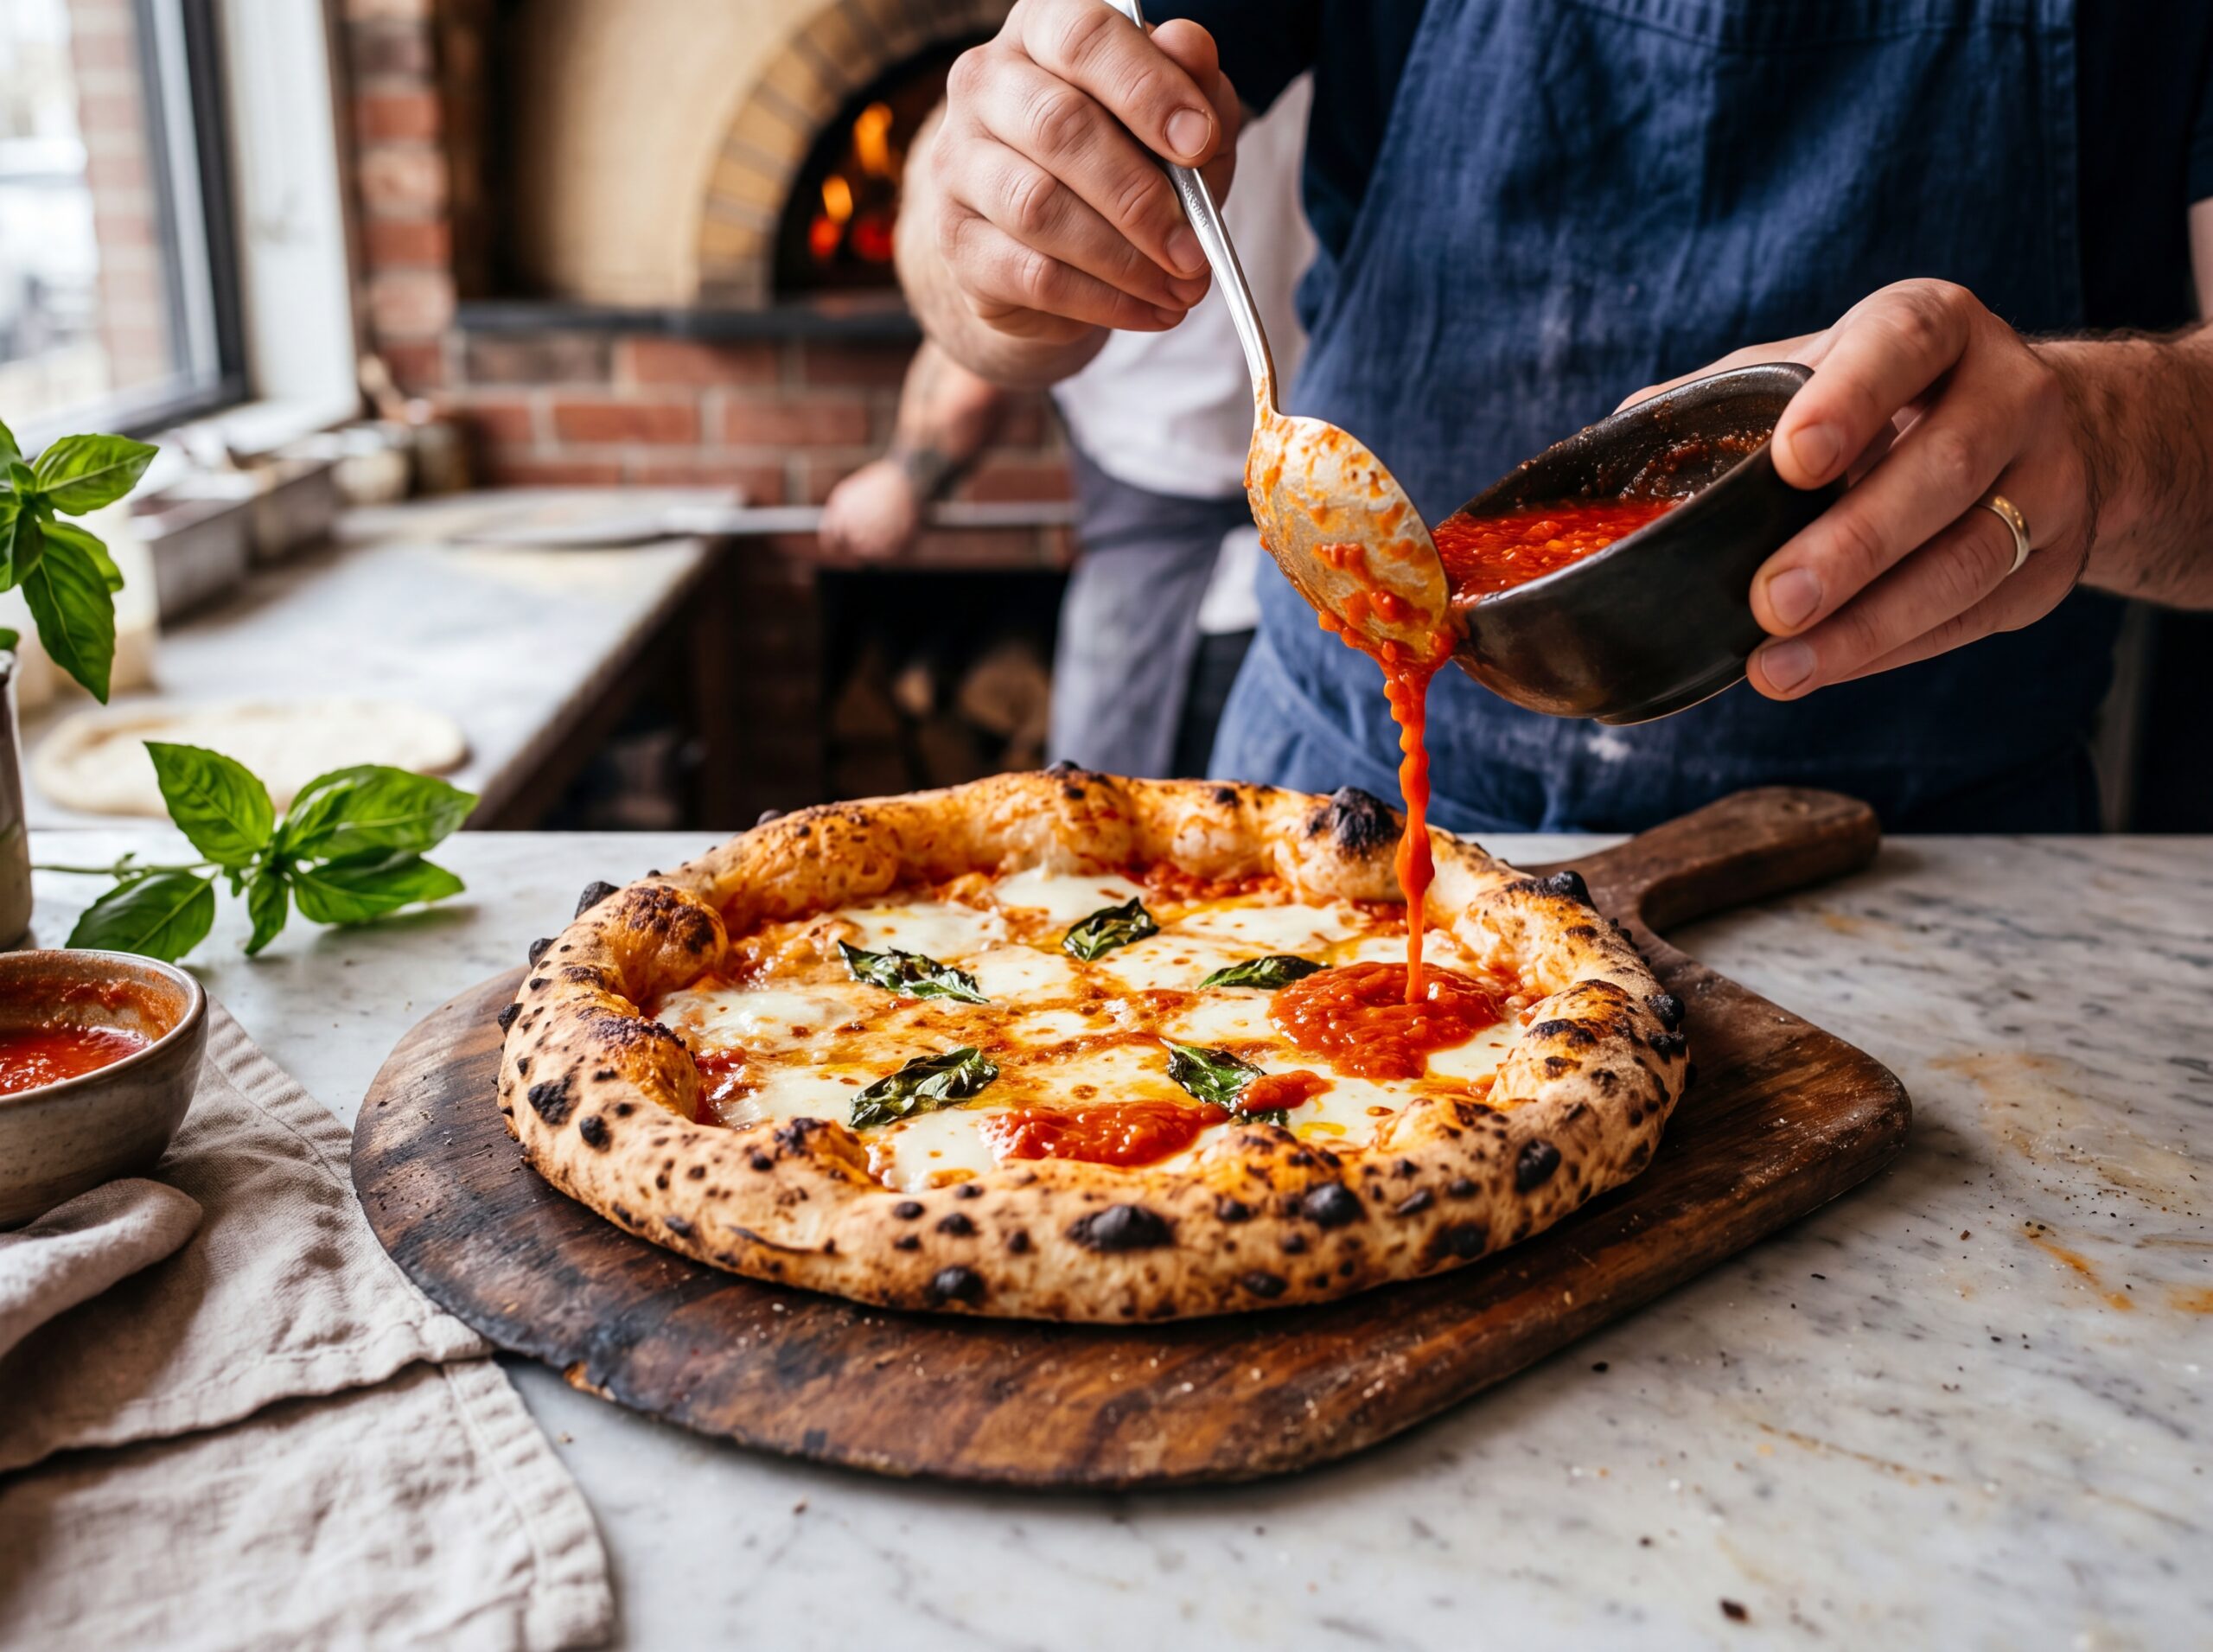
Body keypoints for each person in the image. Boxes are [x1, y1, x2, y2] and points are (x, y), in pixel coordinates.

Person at [891, 1, 2213, 832]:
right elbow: (987, 245)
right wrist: (985, 230)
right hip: (1347, 800)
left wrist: (2104, 441)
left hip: (1921, 861)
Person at [822, 75, 1313, 777]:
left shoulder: (1067, 82)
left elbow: (986, 324)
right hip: (1310, 552)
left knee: (1100, 823)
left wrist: (902, 477)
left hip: (1179, 556)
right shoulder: (1327, 68)